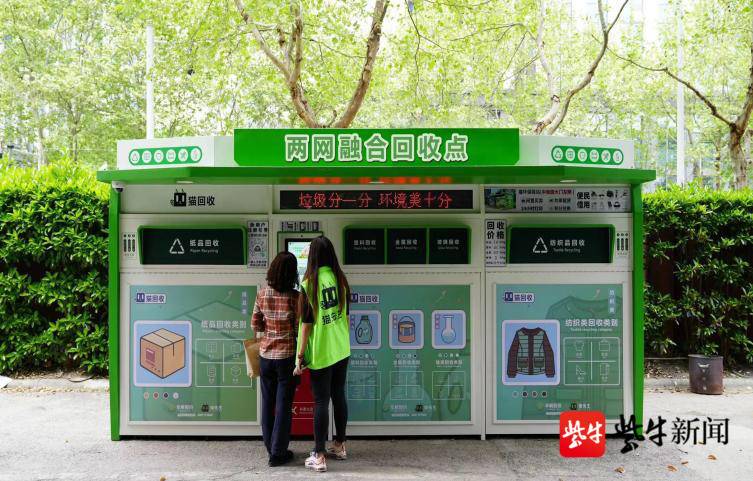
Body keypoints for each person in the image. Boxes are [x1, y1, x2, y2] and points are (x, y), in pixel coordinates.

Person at [294, 236, 351, 473]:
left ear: (313, 257)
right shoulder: (341, 280)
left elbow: (306, 325)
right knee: (338, 396)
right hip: (342, 348)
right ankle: (340, 445)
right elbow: (346, 316)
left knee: (320, 401)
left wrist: (299, 356)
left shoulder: (309, 284)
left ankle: (319, 455)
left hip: (322, 351)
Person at [251, 251, 300, 467]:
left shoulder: (262, 294)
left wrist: (269, 330)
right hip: (286, 358)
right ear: (292, 274)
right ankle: (278, 453)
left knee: (267, 403)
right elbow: (299, 329)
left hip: (265, 357)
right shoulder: (295, 298)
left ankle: (271, 448)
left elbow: (255, 324)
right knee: (283, 406)